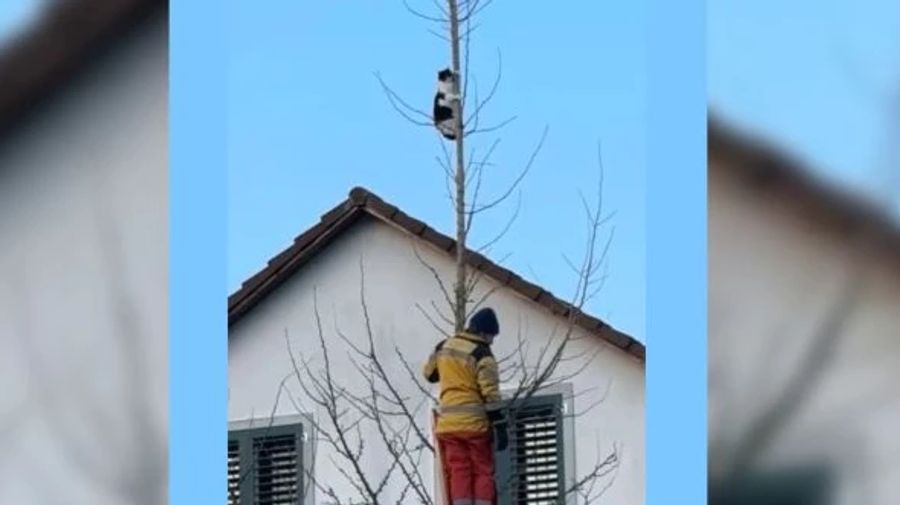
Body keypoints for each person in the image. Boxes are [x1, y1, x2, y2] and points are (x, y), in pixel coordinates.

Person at [423, 307, 505, 505]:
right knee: (482, 469)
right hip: (474, 425)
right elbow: (490, 393)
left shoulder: (443, 346)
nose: (492, 341)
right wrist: (500, 424)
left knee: (459, 468)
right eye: (491, 336)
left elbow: (429, 374)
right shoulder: (482, 354)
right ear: (483, 332)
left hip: (448, 425)